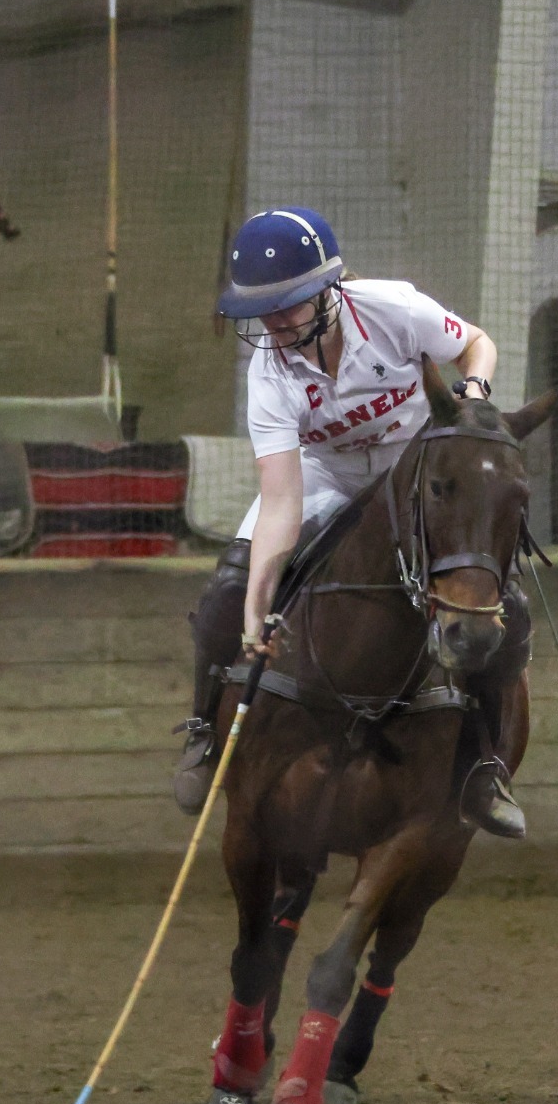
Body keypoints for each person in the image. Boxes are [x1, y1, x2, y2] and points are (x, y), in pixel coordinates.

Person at [174, 206, 530, 837]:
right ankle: (204, 729)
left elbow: (477, 344)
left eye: (286, 305)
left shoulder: (394, 309)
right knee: (228, 588)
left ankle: (484, 763)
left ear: (326, 290)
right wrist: (257, 609)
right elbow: (281, 502)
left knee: (509, 608)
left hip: (412, 466)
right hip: (326, 472)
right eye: (262, 310)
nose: (273, 322)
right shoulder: (269, 375)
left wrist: (473, 394)